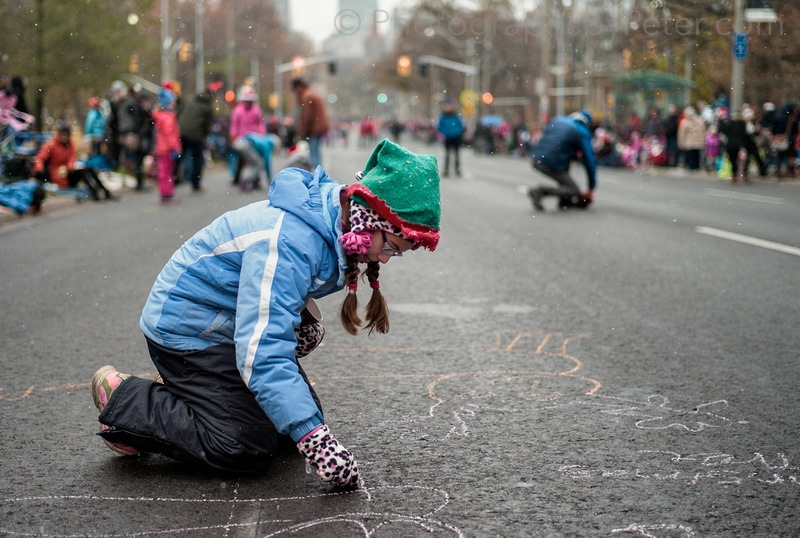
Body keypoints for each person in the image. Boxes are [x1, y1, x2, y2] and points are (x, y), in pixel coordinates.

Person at [89, 138, 441, 489]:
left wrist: (301, 323)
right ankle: (127, 399)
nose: (384, 259)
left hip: (224, 326)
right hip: (188, 332)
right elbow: (262, 350)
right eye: (391, 248)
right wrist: (317, 441)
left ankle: (190, 389)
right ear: (367, 218)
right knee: (244, 446)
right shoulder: (289, 242)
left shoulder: (330, 221)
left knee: (289, 431)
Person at [528, 110, 596, 211]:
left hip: (536, 158)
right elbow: (590, 160)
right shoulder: (581, 131)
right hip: (551, 161)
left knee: (564, 175)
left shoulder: (557, 121)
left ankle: (565, 201)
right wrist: (591, 188)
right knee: (573, 190)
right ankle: (540, 191)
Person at [31, 123, 114, 201]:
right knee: (83, 173)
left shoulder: (70, 144)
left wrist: (70, 166)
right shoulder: (51, 145)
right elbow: (40, 158)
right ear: (59, 135)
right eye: (63, 135)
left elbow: (72, 157)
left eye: (66, 135)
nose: (65, 137)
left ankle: (104, 191)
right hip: (56, 174)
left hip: (68, 172)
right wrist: (39, 167)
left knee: (88, 170)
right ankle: (94, 193)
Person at [177, 81, 223, 193]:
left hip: (182, 131)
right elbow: (207, 125)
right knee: (197, 159)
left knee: (180, 157)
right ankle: (195, 184)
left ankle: (172, 180)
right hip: (196, 135)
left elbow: (180, 111)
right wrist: (205, 135)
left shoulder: (191, 99)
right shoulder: (207, 106)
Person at [229, 85, 266, 185]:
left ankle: (255, 178)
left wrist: (262, 133)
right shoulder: (238, 111)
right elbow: (234, 126)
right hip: (242, 139)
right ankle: (241, 178)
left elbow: (261, 123)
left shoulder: (256, 109)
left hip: (256, 138)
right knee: (246, 157)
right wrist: (234, 136)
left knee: (257, 154)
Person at [291, 78, 329, 169]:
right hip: (318, 128)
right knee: (316, 152)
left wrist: (302, 132)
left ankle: (317, 175)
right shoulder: (311, 93)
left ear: (299, 87)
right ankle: (319, 173)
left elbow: (306, 117)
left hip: (314, 129)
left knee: (314, 154)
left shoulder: (307, 97)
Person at [152, 88, 182, 204]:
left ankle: (167, 192)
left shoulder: (163, 115)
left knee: (166, 171)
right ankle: (166, 193)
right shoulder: (167, 117)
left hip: (163, 147)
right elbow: (170, 135)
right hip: (167, 148)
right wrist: (175, 147)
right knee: (166, 171)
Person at [435, 99, 466, 177]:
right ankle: (446, 170)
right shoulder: (443, 117)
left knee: (457, 155)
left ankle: (457, 170)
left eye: (450, 106)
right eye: (447, 106)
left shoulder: (456, 116)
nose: (449, 108)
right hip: (447, 138)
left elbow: (461, 126)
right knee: (447, 155)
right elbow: (439, 127)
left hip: (456, 138)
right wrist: (445, 133)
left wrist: (457, 133)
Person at [677, 106, 705, 171]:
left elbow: (682, 133)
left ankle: (691, 166)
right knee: (696, 154)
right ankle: (696, 166)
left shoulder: (685, 122)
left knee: (690, 155)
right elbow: (703, 130)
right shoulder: (699, 120)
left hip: (689, 142)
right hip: (698, 141)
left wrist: (680, 142)